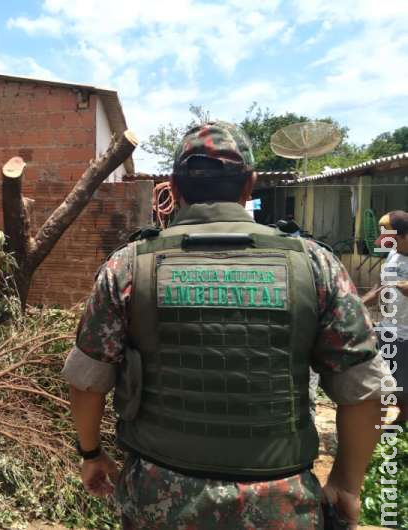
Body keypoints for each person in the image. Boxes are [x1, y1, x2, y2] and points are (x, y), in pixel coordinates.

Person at [62, 122, 389, 529]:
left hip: (158, 499)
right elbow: (363, 388)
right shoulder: (314, 264)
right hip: (281, 504)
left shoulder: (128, 266)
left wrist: (91, 454)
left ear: (175, 188)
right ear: (249, 186)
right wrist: (346, 483)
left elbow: (86, 381)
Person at [362, 210, 408, 426]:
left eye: (393, 241)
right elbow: (382, 287)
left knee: (402, 390)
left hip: (406, 337)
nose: (388, 245)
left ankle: (400, 425)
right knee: (381, 384)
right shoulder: (393, 255)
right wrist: (361, 302)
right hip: (387, 330)